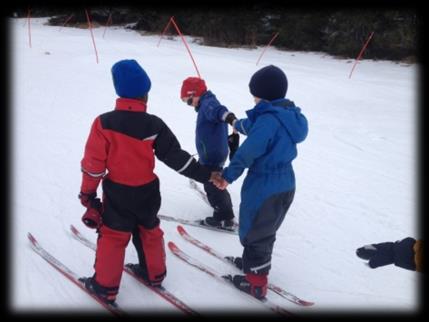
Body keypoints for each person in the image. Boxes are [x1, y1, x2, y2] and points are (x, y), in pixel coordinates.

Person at [78, 59, 221, 305]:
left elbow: (94, 166)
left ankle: (105, 287)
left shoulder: (103, 123)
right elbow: (176, 157)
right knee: (149, 230)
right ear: (145, 93)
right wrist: (207, 174)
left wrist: (87, 195)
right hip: (148, 191)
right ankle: (154, 274)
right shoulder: (154, 124)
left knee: (113, 235)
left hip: (118, 193)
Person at [213, 65, 308, 299]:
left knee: (257, 231)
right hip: (285, 182)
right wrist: (238, 124)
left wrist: (227, 176)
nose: (253, 99)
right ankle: (252, 264)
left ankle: (256, 283)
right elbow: (256, 126)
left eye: (254, 95)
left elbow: (249, 151)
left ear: (262, 95)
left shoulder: (268, 120)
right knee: (265, 227)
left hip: (265, 184)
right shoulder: (286, 115)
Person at [180, 77, 238, 229]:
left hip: (213, 155)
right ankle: (225, 212)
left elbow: (219, 111)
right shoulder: (206, 103)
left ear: (195, 94)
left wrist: (230, 118)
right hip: (212, 153)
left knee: (214, 185)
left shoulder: (208, 104)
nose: (189, 105)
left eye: (188, 101)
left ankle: (224, 217)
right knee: (212, 183)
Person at [356, 238, 423, 272]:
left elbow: (375, 262)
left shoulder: (375, 258)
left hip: (401, 259)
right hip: (400, 247)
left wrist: (371, 265)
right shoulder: (376, 247)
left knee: (415, 265)